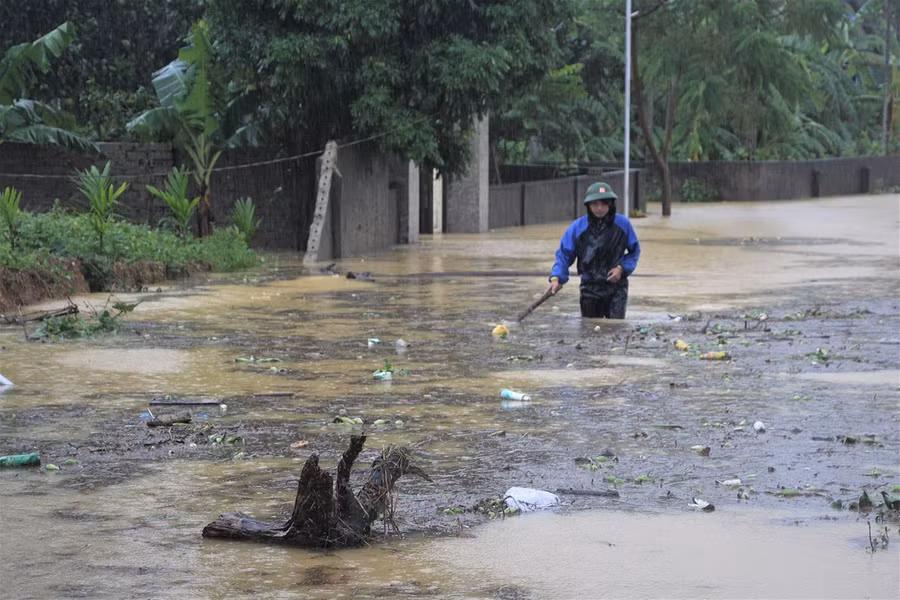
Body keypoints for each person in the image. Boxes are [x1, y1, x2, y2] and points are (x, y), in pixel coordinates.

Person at [546, 181, 641, 318]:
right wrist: (556, 278)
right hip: (589, 287)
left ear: (610, 204)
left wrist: (621, 268)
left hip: (616, 288)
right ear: (588, 206)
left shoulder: (623, 225)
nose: (599, 208)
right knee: (589, 330)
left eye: (603, 204)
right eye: (595, 204)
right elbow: (564, 254)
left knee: (615, 329)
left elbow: (634, 251)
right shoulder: (578, 227)